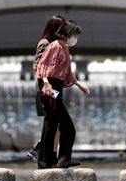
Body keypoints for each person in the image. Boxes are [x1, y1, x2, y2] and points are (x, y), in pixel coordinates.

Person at [36, 19, 90, 169]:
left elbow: (67, 73)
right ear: (67, 34)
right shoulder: (54, 46)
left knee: (52, 124)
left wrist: (79, 85)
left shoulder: (65, 48)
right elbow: (42, 67)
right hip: (49, 87)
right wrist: (46, 84)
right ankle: (62, 158)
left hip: (56, 86)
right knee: (65, 125)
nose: (75, 39)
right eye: (74, 35)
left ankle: (49, 161)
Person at [28, 14, 65, 165]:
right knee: (55, 122)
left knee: (57, 123)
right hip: (46, 89)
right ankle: (44, 153)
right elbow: (37, 65)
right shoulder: (45, 43)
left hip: (54, 89)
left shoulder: (56, 44)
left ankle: (43, 150)